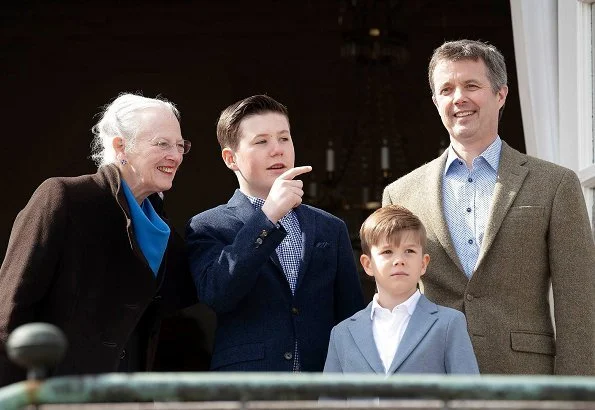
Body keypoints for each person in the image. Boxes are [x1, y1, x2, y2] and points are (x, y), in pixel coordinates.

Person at [383, 39, 595, 375]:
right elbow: (394, 301)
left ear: (500, 95)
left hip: (524, 382)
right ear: (436, 101)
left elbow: (580, 301)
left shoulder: (555, 184)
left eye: (471, 85)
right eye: (447, 89)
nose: (459, 98)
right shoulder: (401, 194)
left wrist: (575, 393)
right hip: (429, 381)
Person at [0, 93, 198, 386]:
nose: (176, 155)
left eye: (180, 145)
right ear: (121, 146)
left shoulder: (160, 227)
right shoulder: (65, 198)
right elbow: (10, 310)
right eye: (162, 144)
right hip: (55, 394)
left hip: (125, 396)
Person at [186, 94, 365, 372]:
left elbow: (350, 316)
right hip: (247, 388)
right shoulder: (208, 225)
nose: (278, 150)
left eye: (284, 138)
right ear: (230, 158)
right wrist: (267, 217)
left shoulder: (330, 227)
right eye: (262, 141)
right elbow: (218, 294)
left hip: (322, 382)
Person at [323, 205, 479, 375]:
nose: (399, 260)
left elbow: (468, 398)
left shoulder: (449, 323)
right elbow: (331, 401)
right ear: (368, 264)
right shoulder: (342, 333)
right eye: (387, 251)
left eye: (409, 251)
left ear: (423, 263)